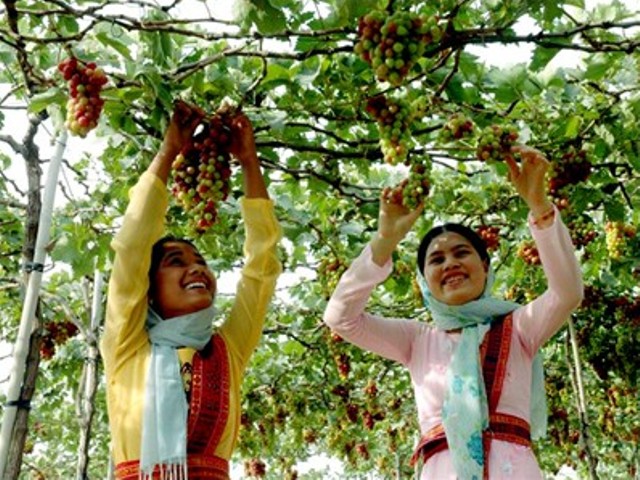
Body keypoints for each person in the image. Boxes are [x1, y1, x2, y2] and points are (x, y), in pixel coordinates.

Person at [323, 145, 583, 479]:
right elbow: (340, 318)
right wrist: (385, 240)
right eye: (437, 260)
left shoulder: (518, 327)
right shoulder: (418, 339)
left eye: (462, 253)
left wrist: (539, 207)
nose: (451, 264)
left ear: (485, 266)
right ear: (424, 281)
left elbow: (567, 292)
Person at [100, 100, 282, 479]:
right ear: (147, 290)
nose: (197, 267)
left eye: (199, 260)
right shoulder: (127, 344)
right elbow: (132, 249)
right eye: (176, 262)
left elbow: (261, 269)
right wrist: (168, 152)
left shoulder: (227, 349)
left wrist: (249, 162)